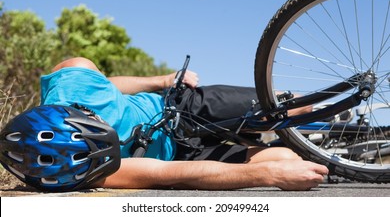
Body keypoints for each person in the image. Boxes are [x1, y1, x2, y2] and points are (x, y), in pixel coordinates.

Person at [1, 57, 329, 192]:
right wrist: (267, 174)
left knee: (298, 105)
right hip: (181, 154)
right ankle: (340, 157)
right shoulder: (91, 170)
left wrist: (161, 80)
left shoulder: (72, 78)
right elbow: (168, 173)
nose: (110, 148)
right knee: (286, 159)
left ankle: (343, 115)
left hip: (176, 107)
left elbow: (109, 84)